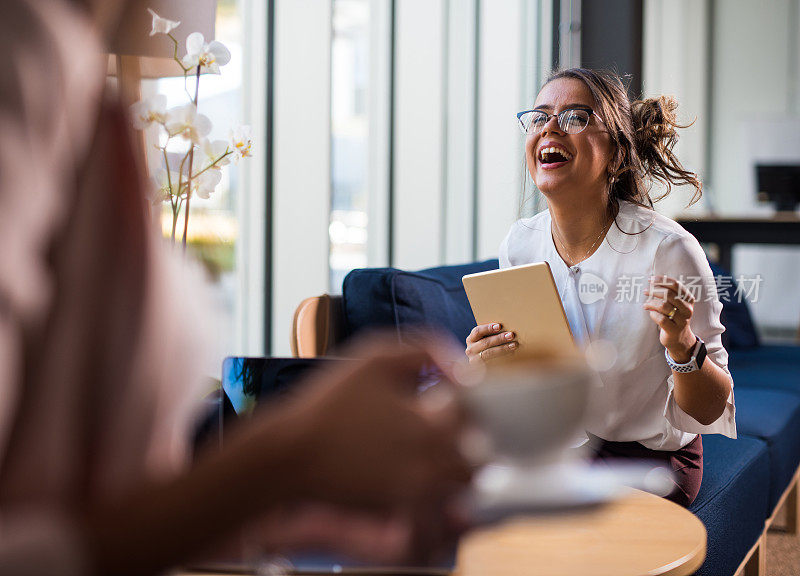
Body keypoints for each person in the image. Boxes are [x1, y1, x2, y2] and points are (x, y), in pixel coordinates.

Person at [0, 0, 472, 574]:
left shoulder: (70, 69)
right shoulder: (25, 53)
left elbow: (99, 519)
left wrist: (294, 532)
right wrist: (289, 453)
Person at [465, 68, 736, 507]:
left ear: (615, 154)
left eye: (575, 117)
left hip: (649, 459)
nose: (550, 127)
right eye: (539, 117)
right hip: (559, 450)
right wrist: (489, 364)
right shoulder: (520, 244)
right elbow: (531, 393)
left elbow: (708, 410)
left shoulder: (668, 250)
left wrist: (683, 344)